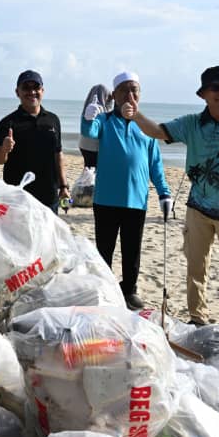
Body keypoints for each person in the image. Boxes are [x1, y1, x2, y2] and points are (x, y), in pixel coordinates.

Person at [129, 66, 219, 326]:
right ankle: (198, 318)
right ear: (204, 94)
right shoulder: (192, 124)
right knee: (196, 269)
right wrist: (135, 114)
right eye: (216, 88)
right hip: (197, 209)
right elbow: (158, 131)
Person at [81, 71, 171, 309]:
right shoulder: (105, 120)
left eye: (135, 90)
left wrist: (164, 192)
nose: (130, 95)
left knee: (132, 250)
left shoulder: (146, 127)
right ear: (115, 95)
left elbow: (155, 164)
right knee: (104, 249)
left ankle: (129, 290)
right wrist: (88, 118)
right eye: (125, 90)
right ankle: (104, 287)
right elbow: (89, 132)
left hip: (136, 200)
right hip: (106, 199)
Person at [0, 70, 68, 210]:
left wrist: (64, 186)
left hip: (49, 197)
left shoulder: (53, 120)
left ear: (42, 91)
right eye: (26, 88)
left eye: (36, 87)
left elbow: (58, 154)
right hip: (18, 198)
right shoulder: (8, 122)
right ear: (17, 92)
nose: (32, 92)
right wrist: (4, 149)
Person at [78, 84, 110, 167]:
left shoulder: (87, 107)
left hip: (83, 145)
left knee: (88, 168)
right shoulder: (99, 109)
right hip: (94, 147)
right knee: (94, 170)